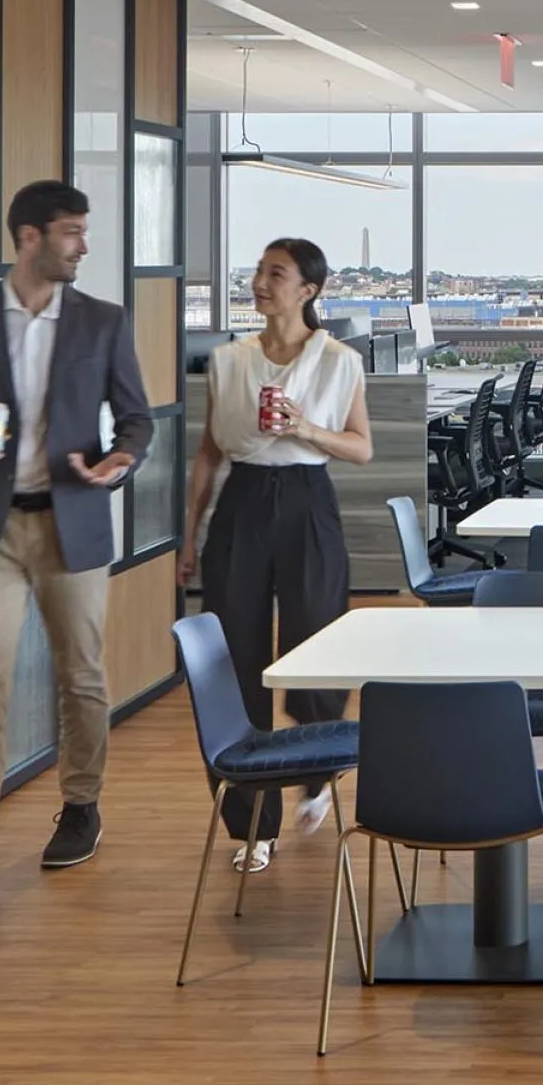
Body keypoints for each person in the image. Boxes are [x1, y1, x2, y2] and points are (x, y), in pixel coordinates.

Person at [0, 180, 150, 913]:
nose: (83, 246)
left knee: (83, 677)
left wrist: (118, 463)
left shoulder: (102, 320)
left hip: (74, 521)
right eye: (71, 232)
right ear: (29, 237)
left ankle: (81, 805)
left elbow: (136, 420)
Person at [182, 239, 374, 872]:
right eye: (259, 271)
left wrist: (305, 428)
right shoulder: (228, 360)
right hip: (241, 501)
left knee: (317, 642)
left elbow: (360, 448)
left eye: (275, 273)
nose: (260, 281)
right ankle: (253, 826)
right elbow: (210, 451)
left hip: (307, 499)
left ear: (308, 291)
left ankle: (318, 769)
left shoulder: (341, 361)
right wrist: (190, 535)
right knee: (235, 659)